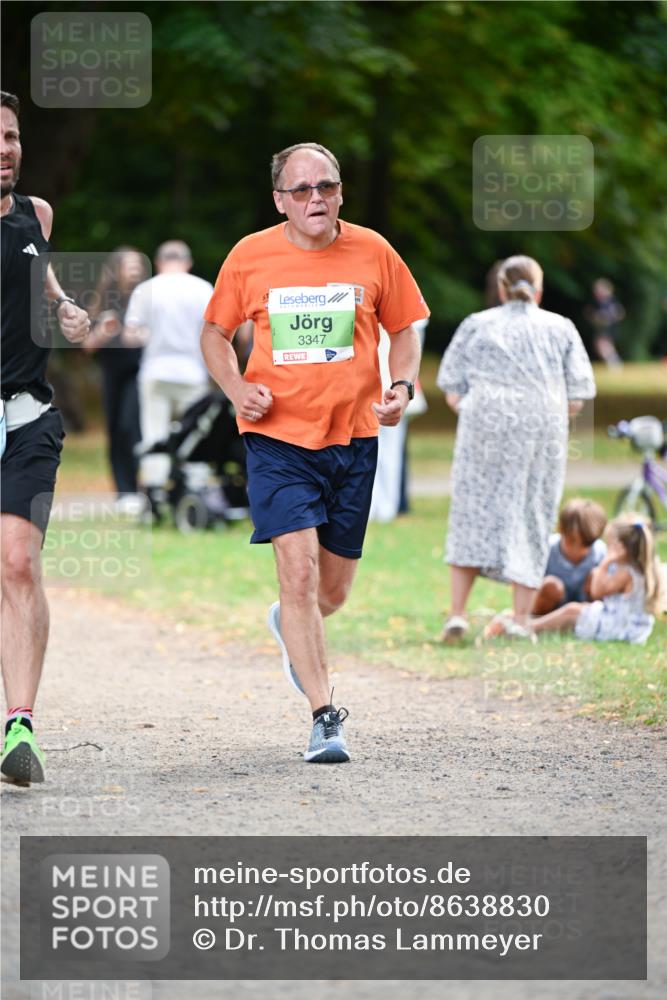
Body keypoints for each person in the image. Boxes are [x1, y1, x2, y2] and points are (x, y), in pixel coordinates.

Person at [201, 141, 428, 763]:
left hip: (353, 439)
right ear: (280, 200)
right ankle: (325, 716)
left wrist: (402, 387)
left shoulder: (374, 250)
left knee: (332, 593)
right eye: (300, 190)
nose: (315, 198)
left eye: (325, 186)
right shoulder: (250, 255)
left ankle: (291, 622)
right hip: (277, 440)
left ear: (340, 192)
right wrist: (236, 387)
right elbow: (215, 333)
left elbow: (406, 329)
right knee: (297, 574)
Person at [1, 91, 90, 783]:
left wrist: (62, 305)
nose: (5, 149)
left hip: (27, 415)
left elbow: (39, 268)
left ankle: (18, 729)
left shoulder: (37, 213)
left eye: (11, 137)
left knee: (19, 563)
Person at [437, 254, 596, 644]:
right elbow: (578, 394)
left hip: (484, 424)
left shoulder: (477, 325)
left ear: (502, 289)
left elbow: (451, 385)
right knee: (532, 510)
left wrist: (476, 408)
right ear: (538, 290)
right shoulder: (561, 328)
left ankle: (457, 614)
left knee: (472, 509)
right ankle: (521, 619)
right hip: (539, 429)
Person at [124, 240, 212, 512]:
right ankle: (196, 487)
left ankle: (154, 490)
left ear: (159, 262)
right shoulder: (202, 288)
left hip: (156, 370)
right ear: (188, 262)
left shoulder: (146, 289)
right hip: (192, 372)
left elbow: (131, 335)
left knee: (155, 431)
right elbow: (213, 333)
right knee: (196, 432)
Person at [526, 514, 662, 645]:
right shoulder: (643, 570)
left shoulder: (624, 572)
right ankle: (532, 624)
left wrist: (605, 563)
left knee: (572, 610)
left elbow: (596, 591)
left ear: (620, 548)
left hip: (619, 628)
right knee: (583, 609)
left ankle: (530, 627)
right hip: (632, 627)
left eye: (609, 544)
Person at [85, 247, 148, 505]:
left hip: (139, 372)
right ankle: (124, 492)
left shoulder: (146, 297)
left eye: (137, 264)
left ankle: (140, 488)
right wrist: (103, 331)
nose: (135, 269)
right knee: (114, 430)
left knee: (130, 427)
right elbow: (87, 347)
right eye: (129, 264)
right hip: (112, 374)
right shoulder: (103, 302)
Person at [533, 498, 607, 615]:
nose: (576, 550)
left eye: (585, 544)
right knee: (552, 585)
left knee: (597, 574)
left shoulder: (600, 551)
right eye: (571, 541)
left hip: (585, 607)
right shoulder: (548, 548)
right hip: (550, 606)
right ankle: (536, 619)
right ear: (561, 529)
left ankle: (594, 618)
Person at [584, 278, 625, 368]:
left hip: (608, 327)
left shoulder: (610, 302)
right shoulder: (599, 302)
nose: (595, 292)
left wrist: (604, 318)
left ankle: (615, 364)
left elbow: (619, 313)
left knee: (602, 345)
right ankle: (615, 363)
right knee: (603, 346)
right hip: (603, 327)